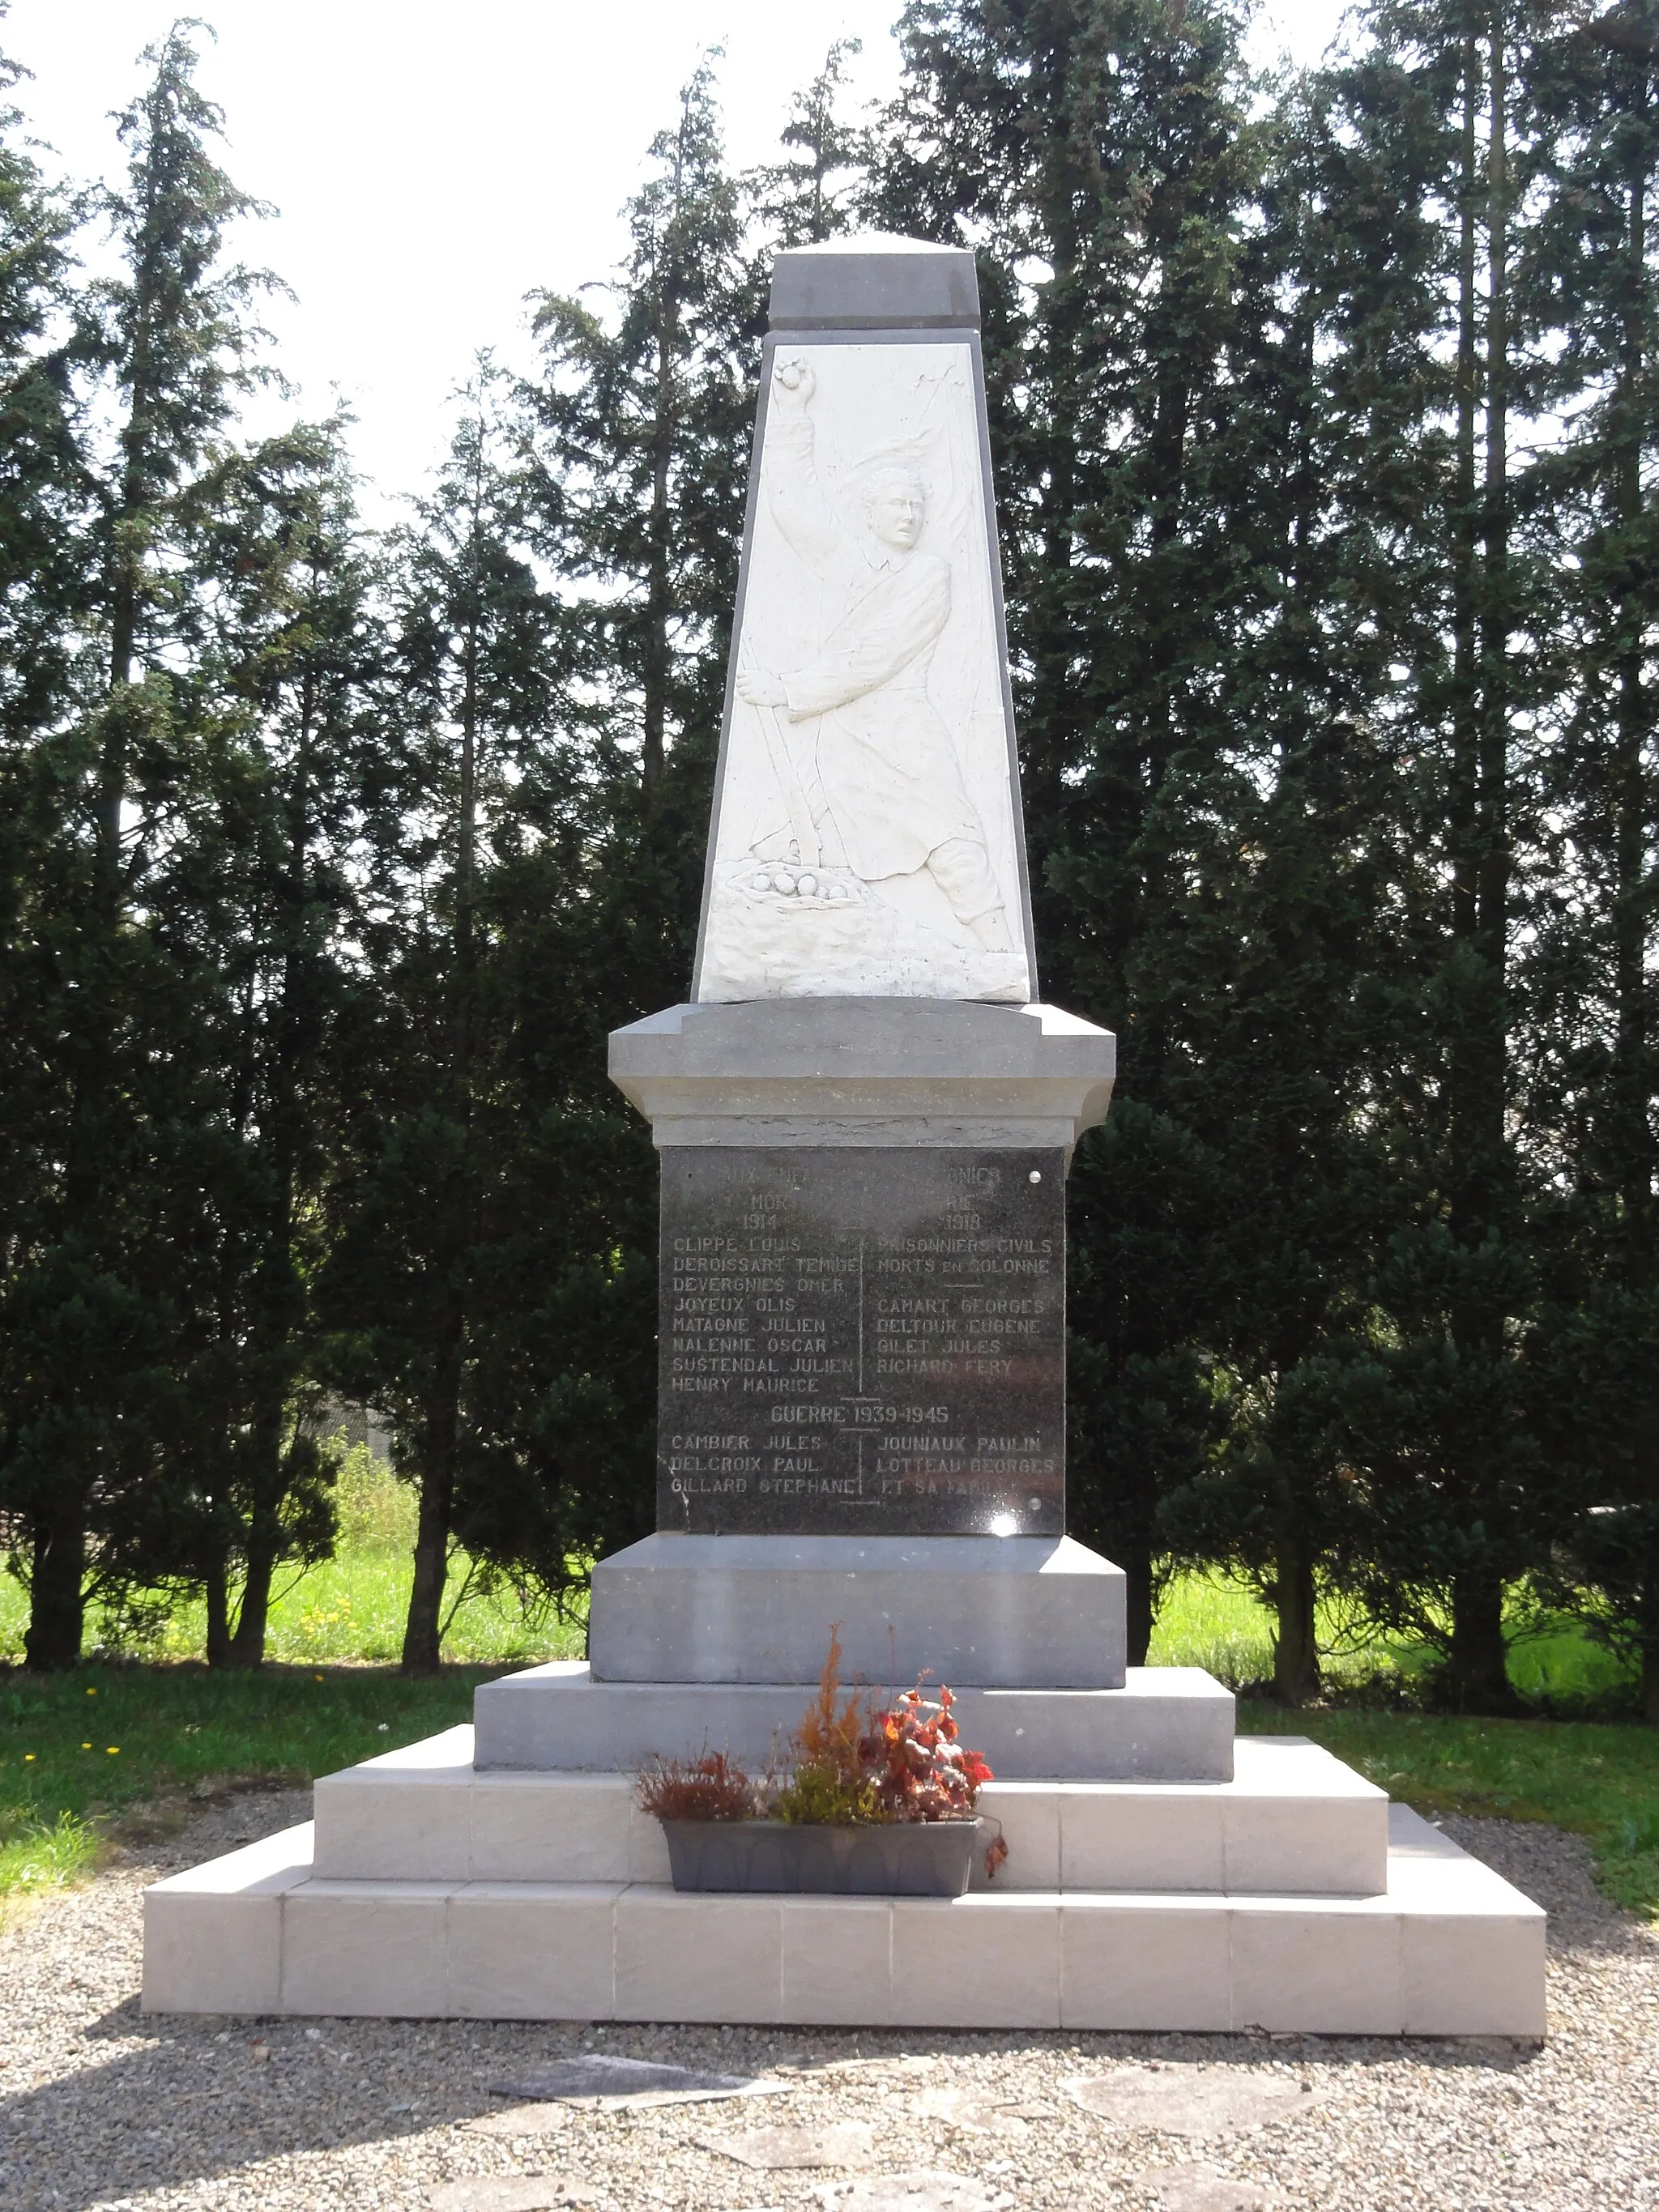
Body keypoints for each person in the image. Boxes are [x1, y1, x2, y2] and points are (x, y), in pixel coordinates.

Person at [735, 356, 1013, 953]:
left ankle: (997, 950)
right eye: (896, 505)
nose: (909, 515)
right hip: (840, 741)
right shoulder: (849, 563)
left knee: (951, 831)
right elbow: (793, 506)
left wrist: (788, 689)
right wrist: (792, 414)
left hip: (903, 732)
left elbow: (874, 656)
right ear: (870, 512)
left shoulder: (929, 577)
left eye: (916, 506)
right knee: (780, 844)